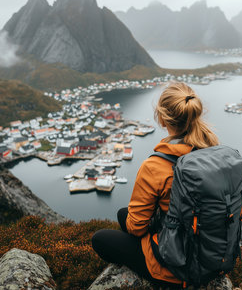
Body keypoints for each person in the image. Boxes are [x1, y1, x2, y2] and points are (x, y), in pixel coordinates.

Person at [91, 82, 219, 286]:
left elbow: (136, 228)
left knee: (101, 238)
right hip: (213, 251)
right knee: (122, 214)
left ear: (162, 118)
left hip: (179, 265)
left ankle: (161, 275)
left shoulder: (156, 165)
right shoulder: (213, 150)